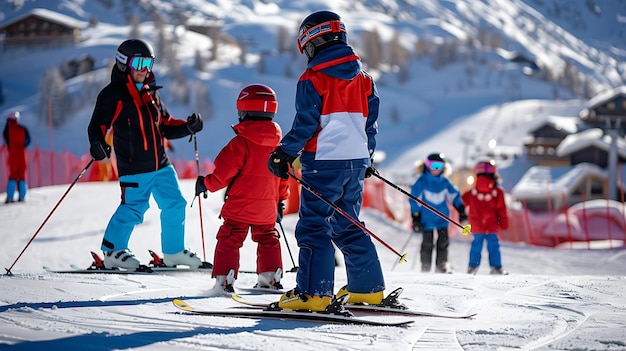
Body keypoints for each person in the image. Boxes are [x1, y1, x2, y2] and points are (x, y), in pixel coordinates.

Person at [267, 10, 385, 312]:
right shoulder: (364, 80)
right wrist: (366, 156)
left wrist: (284, 153)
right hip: (355, 162)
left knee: (314, 226)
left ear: (312, 43)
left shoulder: (313, 78)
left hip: (324, 163)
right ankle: (367, 288)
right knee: (347, 223)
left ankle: (313, 293)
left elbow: (306, 124)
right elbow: (369, 125)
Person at [87, 38, 203, 270]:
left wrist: (188, 127)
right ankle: (113, 250)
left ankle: (173, 251)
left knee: (175, 203)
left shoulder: (151, 93)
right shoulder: (114, 95)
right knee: (134, 207)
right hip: (134, 165)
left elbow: (166, 125)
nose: (144, 69)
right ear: (124, 63)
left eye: (148, 63)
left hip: (161, 162)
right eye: (139, 62)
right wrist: (98, 144)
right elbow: (97, 125)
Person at [195, 84, 289, 293]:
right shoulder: (279, 145)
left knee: (230, 236)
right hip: (267, 207)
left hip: (240, 204)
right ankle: (270, 276)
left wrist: (205, 183)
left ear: (244, 112)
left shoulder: (240, 143)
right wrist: (280, 201)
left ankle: (225, 278)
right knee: (267, 236)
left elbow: (222, 174)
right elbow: (284, 176)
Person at [409, 153, 466, 273]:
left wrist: (461, 210)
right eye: (433, 166)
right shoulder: (422, 181)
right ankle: (425, 265)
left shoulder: (444, 182)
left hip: (442, 217)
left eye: (439, 166)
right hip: (426, 218)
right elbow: (414, 200)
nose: (436, 169)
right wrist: (416, 218)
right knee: (427, 243)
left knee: (443, 242)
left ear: (444, 168)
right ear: (426, 166)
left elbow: (454, 196)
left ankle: (441, 264)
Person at [462, 160, 509, 275]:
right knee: (494, 247)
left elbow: (460, 203)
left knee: (476, 247)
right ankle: (496, 267)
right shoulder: (498, 191)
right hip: (492, 225)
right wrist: (503, 223)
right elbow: (501, 209)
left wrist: (461, 214)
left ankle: (472, 267)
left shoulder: (472, 192)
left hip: (476, 225)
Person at [3, 111, 31, 203]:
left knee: (12, 176)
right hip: (22, 155)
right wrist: (22, 145)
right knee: (22, 176)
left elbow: (7, 141)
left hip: (12, 156)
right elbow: (28, 140)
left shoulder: (7, 131)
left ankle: (10, 197)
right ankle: (22, 196)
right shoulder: (23, 129)